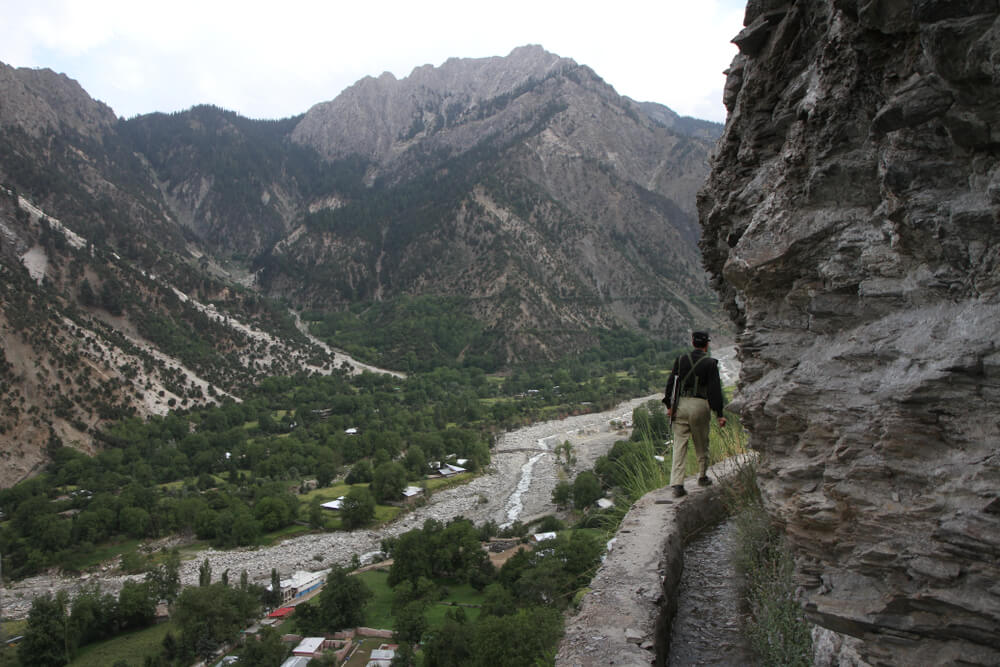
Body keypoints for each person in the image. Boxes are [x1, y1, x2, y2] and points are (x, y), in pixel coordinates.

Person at [663, 331, 726, 497]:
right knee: (701, 442)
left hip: (681, 404)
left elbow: (671, 383)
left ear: (692, 343)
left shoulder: (681, 360)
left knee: (679, 444)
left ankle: (677, 484)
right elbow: (714, 391)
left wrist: (669, 406)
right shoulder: (711, 363)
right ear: (706, 344)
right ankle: (702, 476)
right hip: (700, 405)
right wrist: (719, 413)